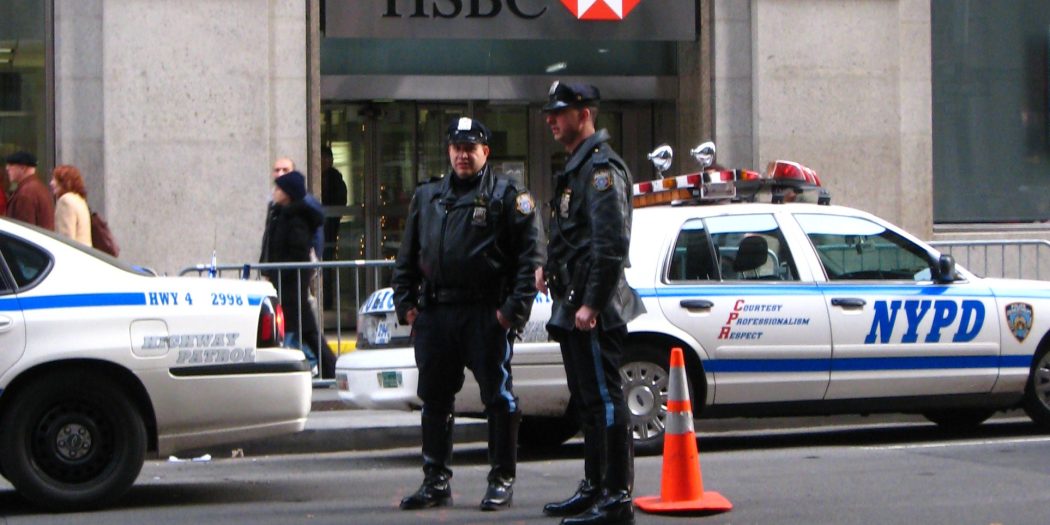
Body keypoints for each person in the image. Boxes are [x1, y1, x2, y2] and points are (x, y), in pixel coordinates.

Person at [392, 117, 543, 512]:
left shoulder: (508, 196)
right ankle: (435, 481)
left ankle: (501, 481)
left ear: (485, 152)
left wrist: (510, 314)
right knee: (434, 399)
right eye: (456, 148)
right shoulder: (428, 196)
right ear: (449, 151)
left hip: (485, 314)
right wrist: (406, 305)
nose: (462, 155)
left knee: (498, 398)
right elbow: (407, 256)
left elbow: (530, 259)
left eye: (470, 149)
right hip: (436, 314)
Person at [535, 82, 645, 525]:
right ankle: (595, 486)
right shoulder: (578, 166)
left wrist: (593, 304)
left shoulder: (601, 170)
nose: (551, 120)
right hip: (574, 301)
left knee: (604, 400)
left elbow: (610, 244)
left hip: (593, 306)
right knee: (587, 402)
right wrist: (547, 267)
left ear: (585, 114)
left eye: (560, 112)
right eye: (550, 112)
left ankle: (616, 496)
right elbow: (571, 233)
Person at [260, 170, 332, 377]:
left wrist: (280, 272)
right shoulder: (279, 213)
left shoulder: (296, 218)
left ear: (288, 193)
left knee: (301, 330)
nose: (274, 192)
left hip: (291, 283)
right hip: (282, 281)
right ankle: (327, 367)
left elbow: (296, 252)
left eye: (278, 188)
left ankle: (327, 367)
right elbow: (270, 245)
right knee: (302, 330)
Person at [320, 146, 348, 309]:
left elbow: (340, 202)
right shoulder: (318, 178)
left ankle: (327, 300)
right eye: (322, 158)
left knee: (327, 263)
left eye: (327, 158)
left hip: (330, 229)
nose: (324, 162)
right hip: (320, 228)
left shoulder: (336, 179)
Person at [5, 151, 54, 229]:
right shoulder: (37, 187)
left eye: (11, 165)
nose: (7, 168)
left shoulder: (26, 193)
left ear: (22, 168)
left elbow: (24, 230)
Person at [50, 165, 93, 246]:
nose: (51, 183)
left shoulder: (65, 201)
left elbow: (66, 238)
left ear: (66, 182)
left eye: (55, 180)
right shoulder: (79, 200)